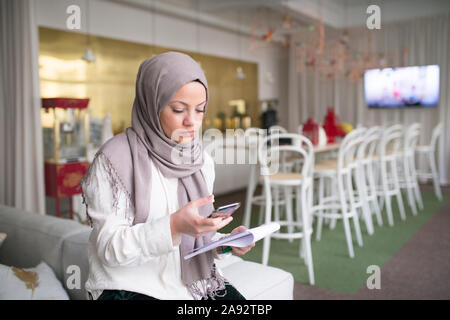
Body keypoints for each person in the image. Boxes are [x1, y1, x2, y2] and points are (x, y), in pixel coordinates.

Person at [80, 52, 255, 300]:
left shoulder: (201, 161)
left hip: (190, 284)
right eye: (178, 109)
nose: (191, 122)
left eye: (200, 110)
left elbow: (195, 238)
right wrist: (173, 226)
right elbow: (109, 250)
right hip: (128, 288)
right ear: (151, 104)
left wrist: (225, 243)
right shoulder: (112, 161)